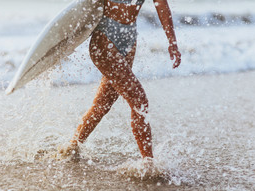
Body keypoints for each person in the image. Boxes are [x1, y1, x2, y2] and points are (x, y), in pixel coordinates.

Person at [60, 0, 181, 160]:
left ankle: (72, 146)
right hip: (105, 37)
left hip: (129, 37)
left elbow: (161, 4)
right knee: (139, 101)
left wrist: (172, 41)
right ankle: (148, 163)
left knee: (103, 104)